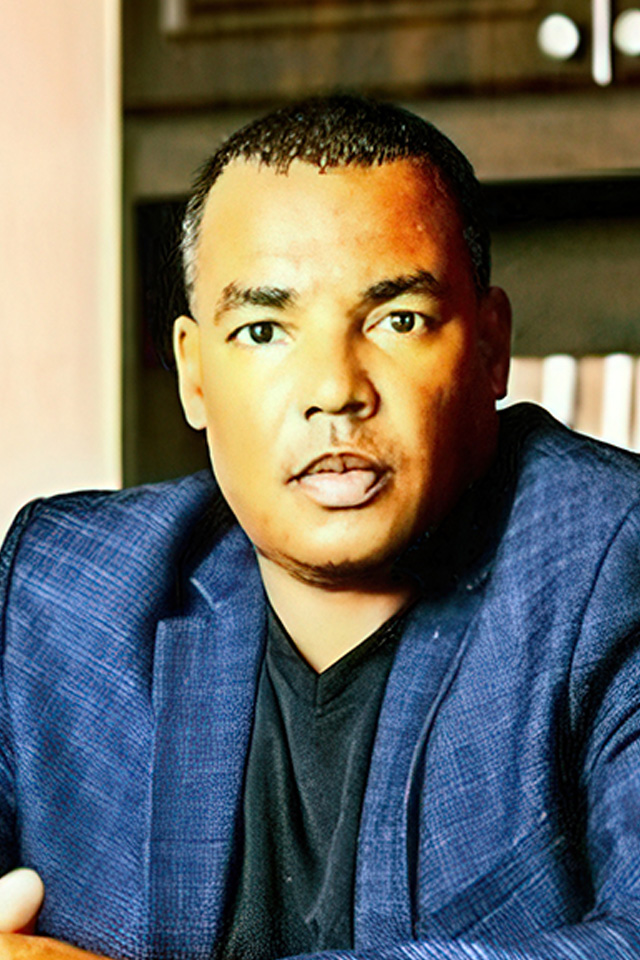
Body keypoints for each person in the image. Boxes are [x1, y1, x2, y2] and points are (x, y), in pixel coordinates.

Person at [1, 94, 640, 960]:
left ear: (491, 349)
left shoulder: (606, 560)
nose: (335, 388)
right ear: (194, 373)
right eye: (264, 330)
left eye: (397, 320)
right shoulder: (65, 593)